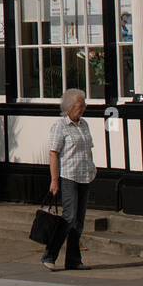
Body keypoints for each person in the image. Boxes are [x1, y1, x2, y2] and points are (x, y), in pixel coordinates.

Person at [42, 88, 96, 271]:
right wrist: (54, 180)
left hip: (85, 176)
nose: (84, 108)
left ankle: (73, 260)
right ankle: (49, 255)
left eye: (84, 105)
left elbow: (88, 149)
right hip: (68, 177)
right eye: (81, 105)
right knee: (69, 217)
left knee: (79, 221)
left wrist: (93, 167)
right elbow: (53, 154)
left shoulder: (84, 124)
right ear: (70, 107)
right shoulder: (60, 126)